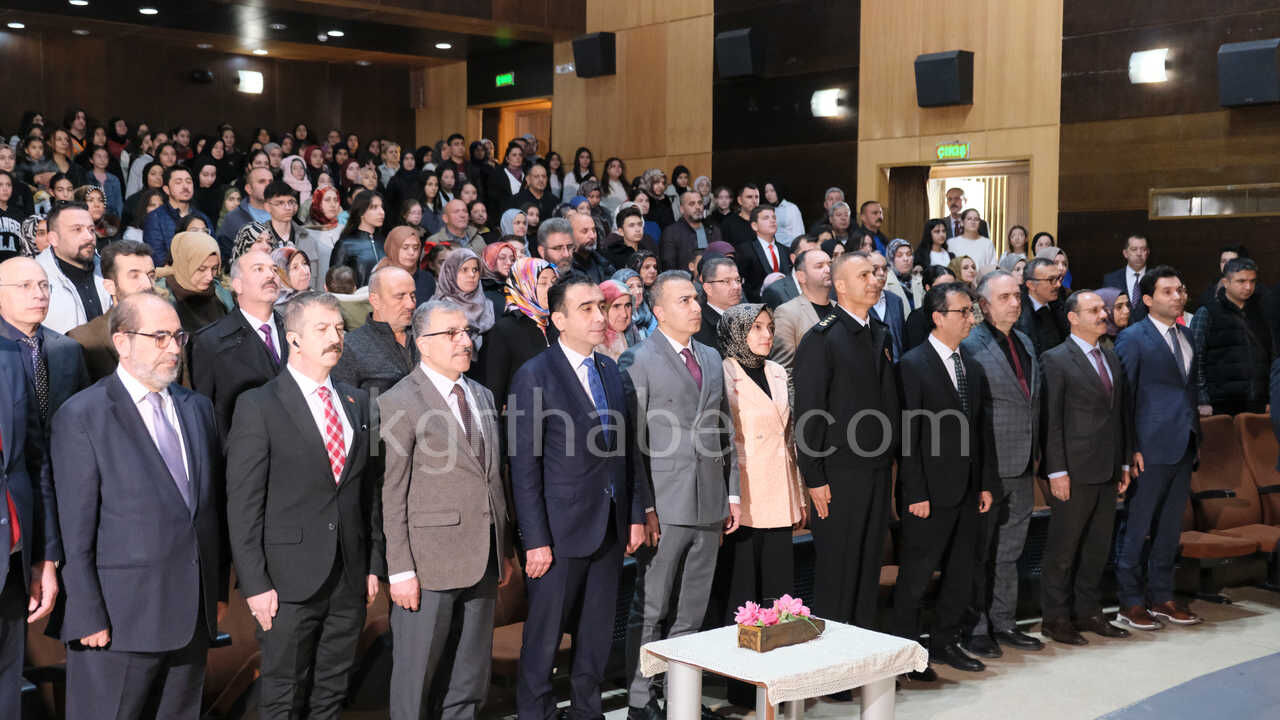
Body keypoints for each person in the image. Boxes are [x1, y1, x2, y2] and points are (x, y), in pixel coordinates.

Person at [54, 292, 224, 720]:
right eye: (160, 337)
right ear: (123, 341)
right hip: (117, 622)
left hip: (190, 619)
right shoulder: (83, 415)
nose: (173, 348)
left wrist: (214, 593)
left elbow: (208, 511)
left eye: (178, 337)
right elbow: (74, 531)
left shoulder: (197, 408)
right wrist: (87, 611)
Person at [226, 291, 383, 720]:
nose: (335, 337)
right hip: (286, 581)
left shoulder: (358, 401)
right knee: (282, 694)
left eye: (339, 328)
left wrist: (373, 563)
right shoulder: (258, 405)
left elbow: (368, 490)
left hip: (349, 575)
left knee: (331, 693)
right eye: (322, 329)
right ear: (293, 339)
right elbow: (243, 504)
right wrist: (255, 584)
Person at [509, 273, 645, 720]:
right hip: (558, 532)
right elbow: (524, 466)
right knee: (545, 639)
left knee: (596, 635)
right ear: (559, 319)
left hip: (608, 525)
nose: (598, 316)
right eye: (585, 309)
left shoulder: (609, 367)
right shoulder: (535, 374)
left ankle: (588, 712)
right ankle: (537, 714)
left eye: (600, 307)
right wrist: (534, 539)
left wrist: (634, 514)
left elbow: (626, 451)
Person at [378, 298, 513, 720]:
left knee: (469, 681)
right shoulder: (399, 400)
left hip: (484, 557)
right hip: (428, 565)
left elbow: (493, 478)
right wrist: (400, 570)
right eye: (451, 334)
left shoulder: (482, 394)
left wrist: (503, 548)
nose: (464, 341)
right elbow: (391, 492)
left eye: (467, 332)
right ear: (423, 343)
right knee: (416, 681)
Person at [620, 270, 739, 719]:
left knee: (692, 611)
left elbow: (724, 429)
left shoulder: (710, 356)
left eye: (695, 299)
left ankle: (681, 699)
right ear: (659, 310)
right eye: (684, 300)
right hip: (664, 507)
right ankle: (639, 699)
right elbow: (632, 444)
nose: (694, 307)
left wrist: (732, 494)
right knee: (651, 608)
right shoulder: (638, 358)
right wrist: (644, 505)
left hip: (709, 501)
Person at [793, 252, 898, 640]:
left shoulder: (878, 331)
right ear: (839, 285)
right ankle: (831, 666)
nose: (875, 279)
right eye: (864, 274)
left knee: (868, 567)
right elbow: (809, 413)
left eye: (876, 273)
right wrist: (814, 476)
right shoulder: (823, 338)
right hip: (837, 473)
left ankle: (861, 658)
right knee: (839, 570)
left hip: (875, 469)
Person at [894, 282, 996, 677]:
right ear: (938, 317)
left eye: (971, 311)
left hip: (968, 489)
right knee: (917, 576)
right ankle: (905, 656)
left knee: (960, 573)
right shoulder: (913, 364)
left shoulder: (971, 364)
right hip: (929, 494)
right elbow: (908, 435)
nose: (971, 318)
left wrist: (985, 482)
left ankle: (945, 642)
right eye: (963, 312)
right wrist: (915, 490)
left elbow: (981, 431)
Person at [718, 302, 806, 706]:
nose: (766, 335)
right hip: (745, 492)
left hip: (779, 487)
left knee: (779, 590)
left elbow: (787, 438)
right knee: (743, 592)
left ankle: (779, 678)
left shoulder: (777, 370)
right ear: (737, 331)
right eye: (756, 328)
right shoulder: (723, 372)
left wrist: (799, 489)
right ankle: (740, 684)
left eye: (769, 327)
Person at [1039, 290, 1135, 645]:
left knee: (1097, 548)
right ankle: (1055, 618)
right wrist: (1056, 470)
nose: (1103, 314)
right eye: (1093, 310)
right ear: (1073, 318)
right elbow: (1052, 421)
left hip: (1108, 468)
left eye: (1103, 309)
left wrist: (1124, 461)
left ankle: (1088, 611)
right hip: (1073, 471)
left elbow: (1120, 415)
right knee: (1063, 549)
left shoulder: (1110, 357)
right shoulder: (1056, 359)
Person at [960, 270, 1044, 658]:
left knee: (1010, 551)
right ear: (983, 304)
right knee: (979, 552)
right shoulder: (970, 345)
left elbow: (1031, 403)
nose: (1015, 302)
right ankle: (975, 628)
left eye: (1017, 296)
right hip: (988, 465)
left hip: (1023, 462)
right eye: (1005, 296)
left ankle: (1004, 622)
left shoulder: (1024, 341)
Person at [1113, 266, 1202, 629]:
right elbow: (1124, 398)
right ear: (1148, 299)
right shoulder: (1133, 338)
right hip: (1147, 448)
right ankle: (1130, 601)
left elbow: (1188, 390)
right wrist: (1129, 448)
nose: (1177, 296)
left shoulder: (1188, 334)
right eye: (1168, 291)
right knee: (1136, 527)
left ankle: (1163, 596)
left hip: (1183, 443)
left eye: (1180, 290)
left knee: (1169, 528)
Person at [189, 249, 286, 442]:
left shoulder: (297, 330)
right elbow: (205, 416)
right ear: (238, 285)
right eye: (258, 269)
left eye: (274, 269)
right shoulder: (211, 341)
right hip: (243, 458)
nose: (270, 275)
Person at [1192, 257, 1272, 416]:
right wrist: (1202, 399)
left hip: (1257, 402)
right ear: (1226, 282)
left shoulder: (1261, 312)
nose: (1248, 287)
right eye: (1241, 281)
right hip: (1220, 404)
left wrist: (1271, 396)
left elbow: (1270, 355)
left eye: (1252, 281)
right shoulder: (1207, 312)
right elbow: (1195, 358)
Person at [68, 240, 155, 381]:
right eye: (134, 276)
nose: (147, 285)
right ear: (110, 286)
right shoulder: (84, 341)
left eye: (151, 275)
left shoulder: (172, 330)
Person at [480, 256, 556, 410]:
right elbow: (494, 391)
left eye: (553, 282)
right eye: (542, 283)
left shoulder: (557, 324)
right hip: (523, 422)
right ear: (524, 285)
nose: (551, 288)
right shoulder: (505, 329)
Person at [331, 266, 418, 396]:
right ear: (375, 300)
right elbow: (347, 406)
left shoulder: (428, 336)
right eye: (400, 296)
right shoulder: (350, 347)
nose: (410, 304)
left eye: (412, 295)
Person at [36, 202, 112, 334]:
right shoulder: (35, 280)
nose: (89, 237)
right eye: (77, 229)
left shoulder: (108, 271)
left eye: (91, 230)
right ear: (53, 239)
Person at [770, 249, 833, 380]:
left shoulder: (841, 308)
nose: (828, 270)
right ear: (801, 276)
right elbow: (783, 370)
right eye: (819, 266)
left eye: (830, 264)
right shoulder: (787, 312)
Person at [157, 231, 233, 332]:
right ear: (185, 264)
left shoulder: (221, 291)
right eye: (201, 269)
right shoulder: (161, 295)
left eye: (214, 268)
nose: (210, 277)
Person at [143, 166, 211, 266]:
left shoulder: (202, 218)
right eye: (178, 182)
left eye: (188, 182)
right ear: (166, 189)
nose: (185, 187)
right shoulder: (155, 218)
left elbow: (213, 250)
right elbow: (157, 258)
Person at [735, 204, 793, 304]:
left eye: (774, 217)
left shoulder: (785, 250)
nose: (772, 220)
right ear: (754, 226)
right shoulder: (745, 250)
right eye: (766, 218)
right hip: (757, 306)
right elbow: (741, 283)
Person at [330, 191, 386, 288]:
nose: (381, 212)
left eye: (382, 207)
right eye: (374, 207)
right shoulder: (345, 244)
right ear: (361, 212)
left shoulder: (384, 241)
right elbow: (335, 282)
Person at [217, 166, 273, 261]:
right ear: (248, 189)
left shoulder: (283, 213)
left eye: (270, 182)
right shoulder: (233, 218)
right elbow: (224, 255)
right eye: (261, 181)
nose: (268, 185)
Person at [1015, 257, 1069, 357]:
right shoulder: (1017, 314)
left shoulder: (1061, 306)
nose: (1058, 285)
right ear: (1031, 285)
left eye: (1058, 278)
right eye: (1051, 280)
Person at [659, 191, 722, 273]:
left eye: (700, 203)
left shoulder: (713, 230)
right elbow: (669, 265)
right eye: (692, 204)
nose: (697, 207)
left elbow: (721, 260)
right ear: (681, 209)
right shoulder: (671, 232)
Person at [693, 256, 742, 355]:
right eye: (726, 281)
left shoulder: (748, 316)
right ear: (708, 288)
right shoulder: (698, 326)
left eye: (737, 280)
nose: (736, 287)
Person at [298, 185, 344, 291]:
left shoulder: (344, 230)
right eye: (327, 200)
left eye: (336, 200)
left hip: (344, 295)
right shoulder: (305, 234)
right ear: (317, 203)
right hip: (317, 295)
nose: (333, 204)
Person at [904, 265, 957, 352]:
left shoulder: (959, 312)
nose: (948, 291)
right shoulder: (917, 318)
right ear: (928, 288)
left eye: (952, 286)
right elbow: (916, 354)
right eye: (942, 287)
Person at [761, 234, 821, 309]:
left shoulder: (830, 285)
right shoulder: (775, 291)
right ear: (793, 258)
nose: (815, 259)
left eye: (818, 254)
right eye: (807, 253)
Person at [868, 251, 907, 362]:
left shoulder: (895, 300)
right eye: (875, 269)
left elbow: (902, 339)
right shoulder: (858, 303)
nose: (881, 273)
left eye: (884, 269)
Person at [1102, 234, 1150, 324]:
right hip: (1119, 333)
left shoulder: (1156, 278)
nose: (1139, 253)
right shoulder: (1110, 279)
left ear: (1147, 252)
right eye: (1134, 249)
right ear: (1125, 253)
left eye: (1143, 249)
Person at [605, 204, 660, 271]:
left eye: (640, 224)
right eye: (631, 225)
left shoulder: (647, 250)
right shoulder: (612, 253)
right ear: (621, 231)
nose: (638, 229)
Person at [569, 211, 615, 284]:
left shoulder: (604, 264)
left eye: (593, 230)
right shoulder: (565, 268)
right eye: (585, 231)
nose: (592, 236)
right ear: (570, 235)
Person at [762, 179, 805, 245]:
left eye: (772, 191)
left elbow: (798, 232)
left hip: (790, 248)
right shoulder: (766, 210)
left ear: (778, 190)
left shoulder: (791, 208)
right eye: (766, 192)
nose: (769, 194)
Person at [718, 183, 759, 249]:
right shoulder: (728, 223)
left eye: (757, 197)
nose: (754, 201)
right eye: (749, 197)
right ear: (740, 200)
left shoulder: (764, 221)